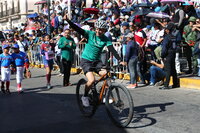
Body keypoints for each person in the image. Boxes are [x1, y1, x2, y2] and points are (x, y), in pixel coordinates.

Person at [64, 15, 123, 107]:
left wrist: (120, 60)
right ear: (95, 29)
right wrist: (68, 21)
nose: (99, 31)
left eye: (101, 30)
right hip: (86, 60)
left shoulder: (105, 39)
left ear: (104, 31)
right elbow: (77, 29)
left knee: (106, 75)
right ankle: (85, 96)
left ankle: (103, 95)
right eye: (97, 29)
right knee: (91, 81)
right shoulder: (90, 34)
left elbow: (112, 50)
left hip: (96, 61)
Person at [160, 23, 179, 90]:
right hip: (173, 53)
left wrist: (162, 55)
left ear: (168, 30)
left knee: (167, 70)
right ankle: (175, 83)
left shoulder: (167, 37)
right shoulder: (174, 37)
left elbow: (164, 48)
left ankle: (166, 85)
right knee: (173, 69)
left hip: (168, 54)